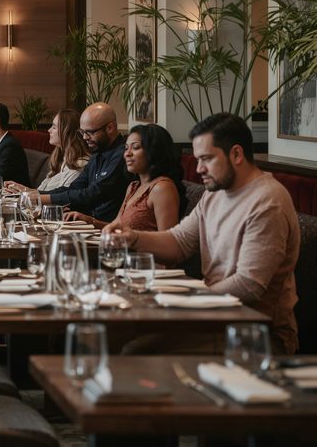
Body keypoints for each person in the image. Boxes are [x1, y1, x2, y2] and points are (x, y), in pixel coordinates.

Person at [106, 114, 300, 354]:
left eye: (206, 159)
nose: (199, 169)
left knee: (135, 350)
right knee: (115, 335)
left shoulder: (267, 201)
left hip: (255, 331)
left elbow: (249, 285)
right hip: (214, 315)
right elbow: (179, 241)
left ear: (236, 154)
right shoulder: (215, 193)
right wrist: (133, 237)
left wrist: (189, 297)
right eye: (198, 159)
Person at [38, 102, 131, 223]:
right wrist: (34, 195)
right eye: (82, 132)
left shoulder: (122, 155)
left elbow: (93, 194)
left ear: (110, 128)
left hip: (105, 227)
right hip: (86, 223)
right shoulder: (97, 151)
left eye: (90, 132)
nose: (84, 137)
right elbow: (74, 187)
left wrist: (40, 199)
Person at [89, 124, 185, 230]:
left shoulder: (162, 188)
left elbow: (168, 238)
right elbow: (117, 227)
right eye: (126, 148)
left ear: (154, 150)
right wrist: (90, 221)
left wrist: (134, 237)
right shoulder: (133, 186)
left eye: (135, 147)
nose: (127, 154)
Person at [6, 109, 88, 192]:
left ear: (67, 132)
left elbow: (60, 197)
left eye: (54, 127)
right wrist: (22, 189)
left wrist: (25, 192)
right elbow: (44, 193)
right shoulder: (61, 159)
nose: (49, 130)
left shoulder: (79, 166)